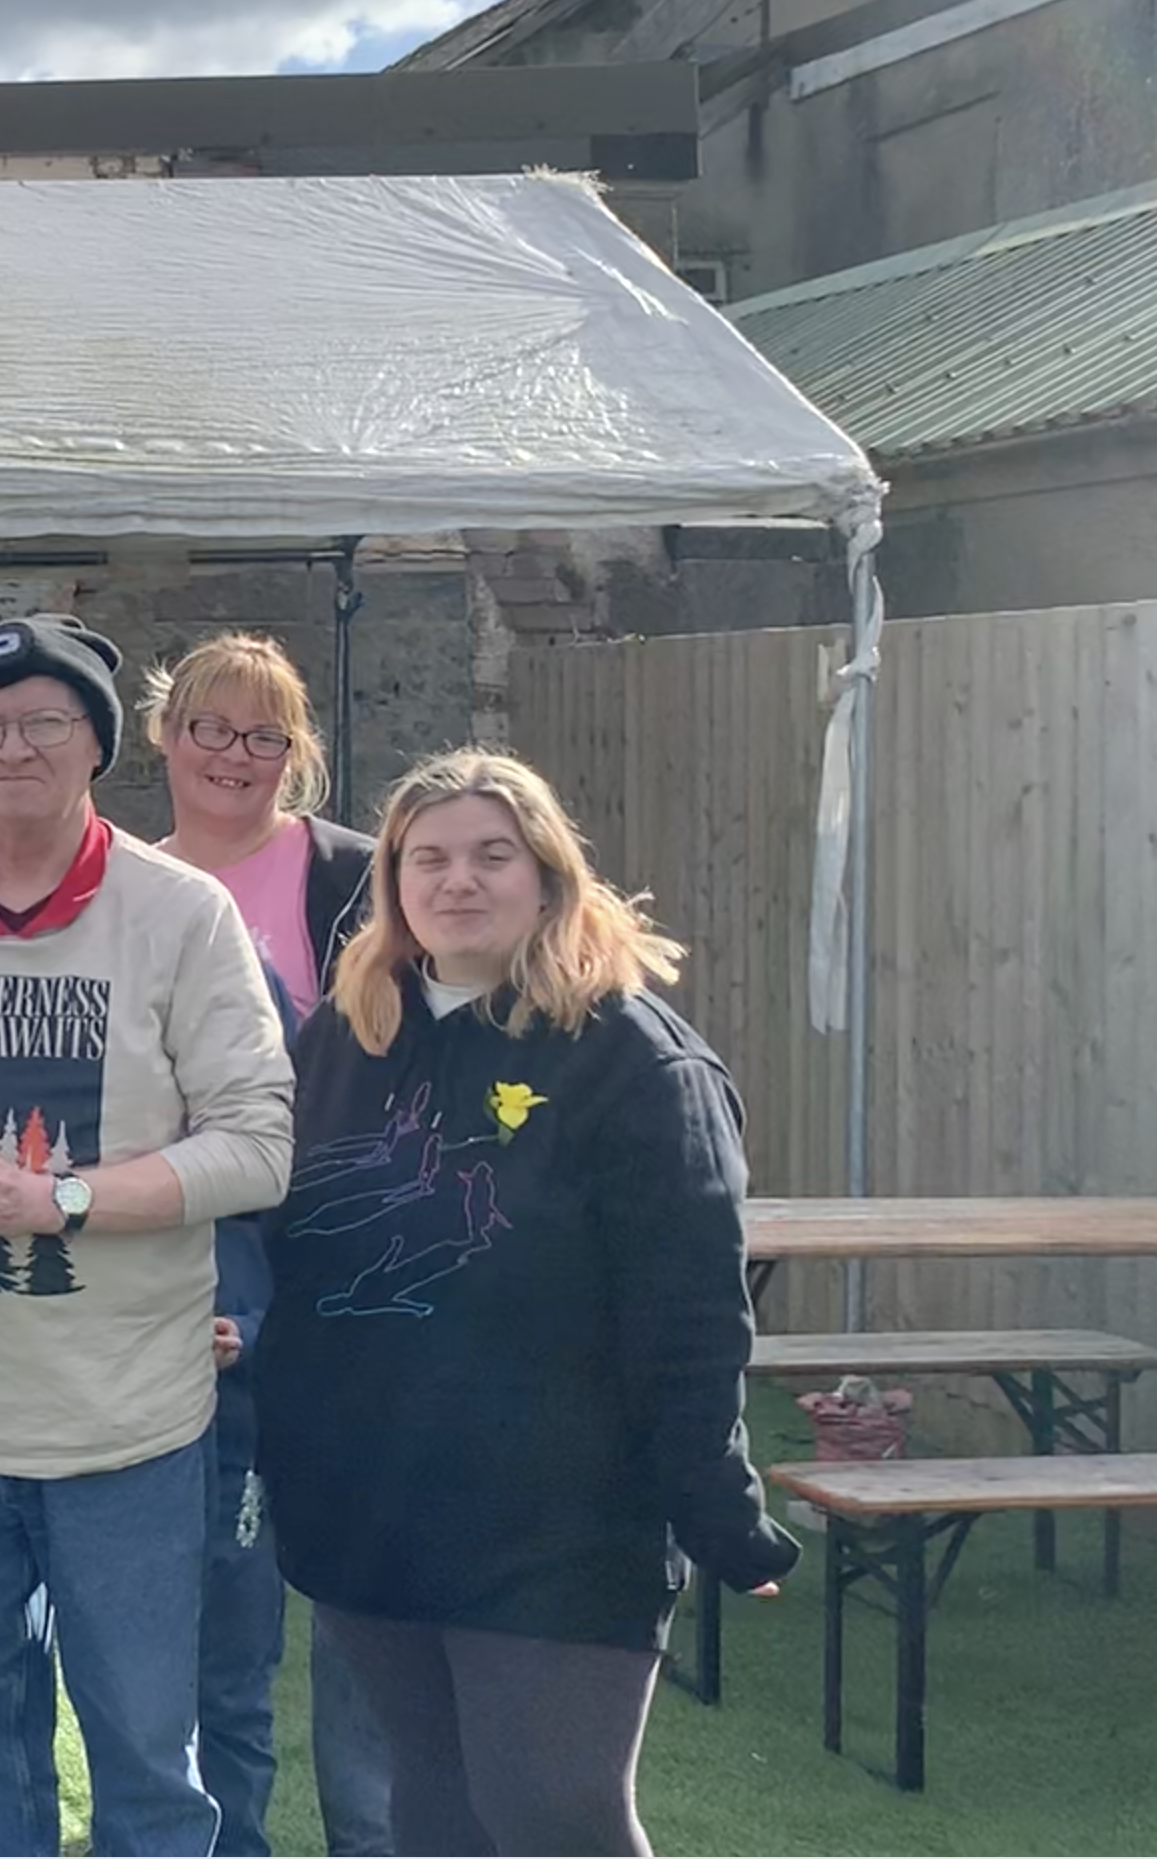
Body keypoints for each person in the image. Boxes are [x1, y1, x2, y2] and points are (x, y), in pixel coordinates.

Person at [254, 750, 800, 1858]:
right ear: (394, 881)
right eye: (430, 857)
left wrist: (720, 1508)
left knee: (555, 1819)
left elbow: (692, 1317)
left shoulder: (636, 1064)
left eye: (492, 854)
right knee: (437, 1810)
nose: (459, 880)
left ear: (550, 876)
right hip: (372, 1509)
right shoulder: (346, 1040)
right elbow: (300, 1251)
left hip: (557, 1526)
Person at [0, 613, 295, 1858]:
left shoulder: (179, 913)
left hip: (129, 1422)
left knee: (142, 1746)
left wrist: (62, 1198)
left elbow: (257, 1142)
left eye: (47, 721)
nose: (15, 745)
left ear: (96, 746)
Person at [141, 633, 393, 1859]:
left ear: (297, 753)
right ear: (163, 734)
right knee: (213, 1642)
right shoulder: (124, 886)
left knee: (360, 1611)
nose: (234, 755)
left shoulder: (353, 878)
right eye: (210, 726)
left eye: (264, 734)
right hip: (196, 1292)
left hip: (344, 1288)